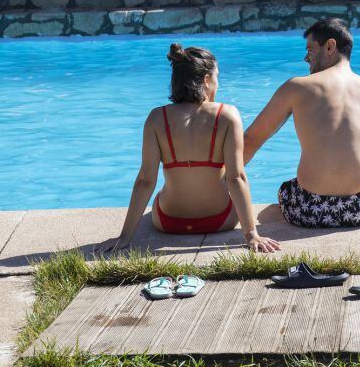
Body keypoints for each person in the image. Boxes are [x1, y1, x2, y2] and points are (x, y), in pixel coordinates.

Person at [98, 44, 280, 254]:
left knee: (161, 196)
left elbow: (145, 181)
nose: (218, 83)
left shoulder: (157, 118)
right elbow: (236, 177)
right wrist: (252, 235)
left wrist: (125, 237)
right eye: (217, 77)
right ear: (205, 80)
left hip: (168, 222)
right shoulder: (227, 115)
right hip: (220, 220)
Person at [244, 19, 360, 229]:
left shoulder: (296, 87)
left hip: (306, 210)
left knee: (286, 189)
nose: (305, 58)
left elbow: (251, 140)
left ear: (330, 46)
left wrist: (218, 178)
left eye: (310, 50)